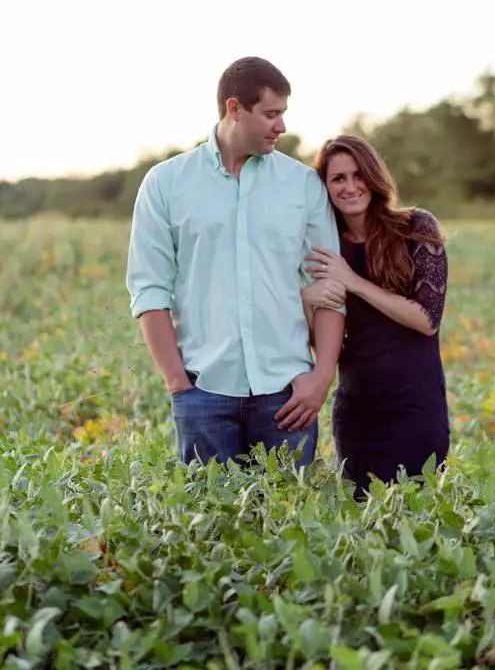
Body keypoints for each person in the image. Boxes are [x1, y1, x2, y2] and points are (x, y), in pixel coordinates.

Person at [126, 57, 345, 469]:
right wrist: (178, 384)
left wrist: (322, 377)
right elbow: (149, 289)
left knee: (288, 525)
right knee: (210, 527)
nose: (281, 126)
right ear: (233, 108)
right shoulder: (166, 183)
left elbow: (330, 289)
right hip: (203, 393)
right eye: (270, 114)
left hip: (288, 395)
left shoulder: (302, 185)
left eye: (283, 114)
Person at [301, 134, 449, 497]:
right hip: (357, 410)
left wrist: (353, 281)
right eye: (338, 178)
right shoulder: (325, 247)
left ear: (374, 177)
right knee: (360, 523)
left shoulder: (416, 228)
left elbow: (427, 319)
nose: (350, 186)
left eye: (358, 175)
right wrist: (306, 298)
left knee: (417, 515)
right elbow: (317, 340)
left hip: (416, 407)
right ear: (325, 187)